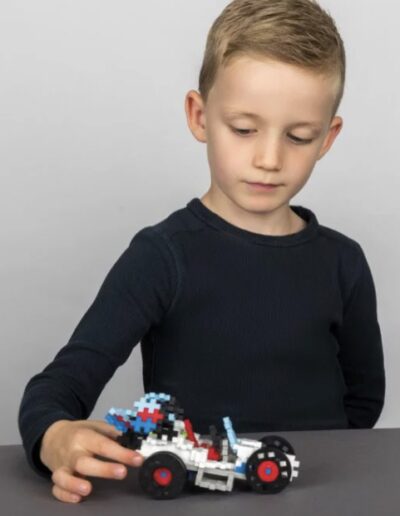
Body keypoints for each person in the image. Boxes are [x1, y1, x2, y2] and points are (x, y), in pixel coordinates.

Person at [18, 0, 385, 504]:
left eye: (299, 136)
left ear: (327, 137)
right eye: (244, 129)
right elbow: (58, 387)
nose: (269, 158)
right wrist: (54, 437)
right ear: (199, 116)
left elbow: (364, 401)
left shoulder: (344, 262)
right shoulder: (161, 257)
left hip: (321, 496)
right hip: (195, 500)